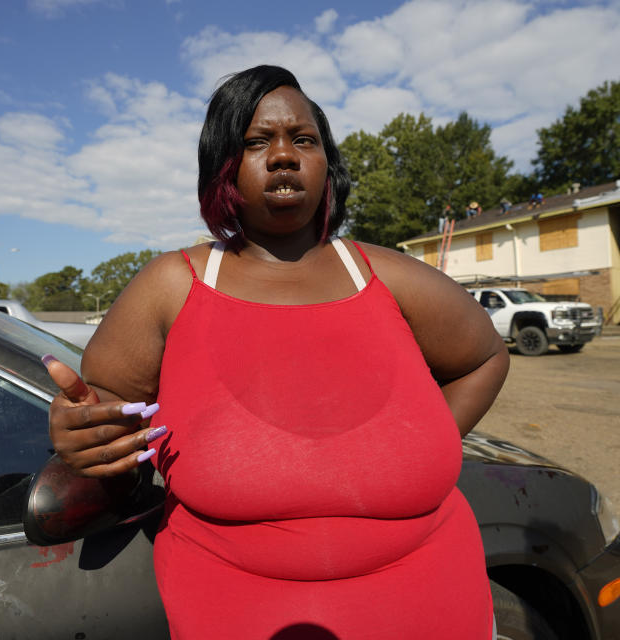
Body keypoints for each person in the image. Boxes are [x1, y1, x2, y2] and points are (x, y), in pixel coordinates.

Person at [43, 65, 509, 639]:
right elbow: (106, 405)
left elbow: (485, 357)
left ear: (326, 164)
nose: (283, 155)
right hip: (234, 597)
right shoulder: (173, 284)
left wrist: (427, 436)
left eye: (303, 139)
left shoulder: (385, 274)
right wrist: (79, 430)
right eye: (257, 141)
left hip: (432, 588)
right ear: (224, 166)